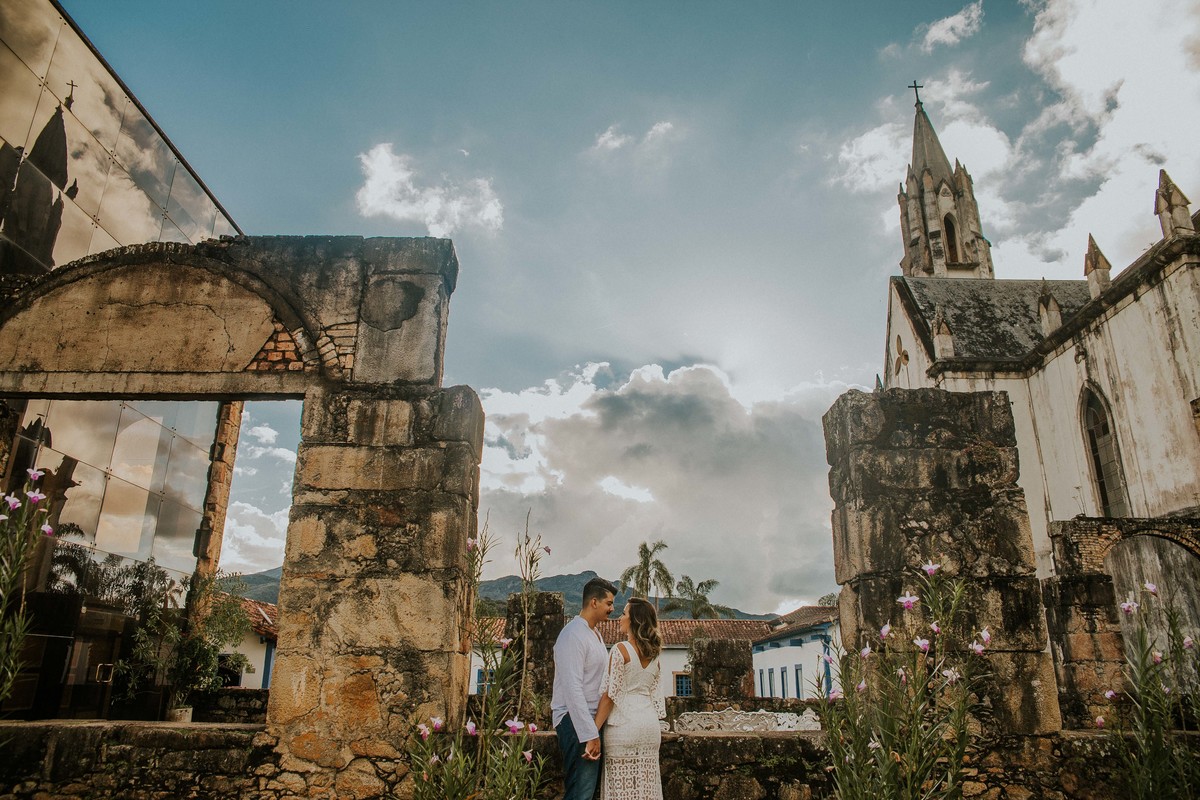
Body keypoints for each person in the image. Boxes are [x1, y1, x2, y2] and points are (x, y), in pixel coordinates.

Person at [593, 597, 665, 800]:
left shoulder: (620, 650)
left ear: (634, 620)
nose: (620, 617)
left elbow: (610, 696)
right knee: (646, 790)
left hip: (623, 727)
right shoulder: (655, 656)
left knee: (621, 790)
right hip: (649, 728)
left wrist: (593, 731)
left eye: (624, 613)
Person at [552, 576, 617, 800]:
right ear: (594, 602)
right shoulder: (573, 635)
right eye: (609, 603)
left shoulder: (594, 634)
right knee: (581, 793)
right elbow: (572, 689)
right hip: (575, 721)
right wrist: (589, 733)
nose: (612, 608)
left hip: (590, 721)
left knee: (585, 792)